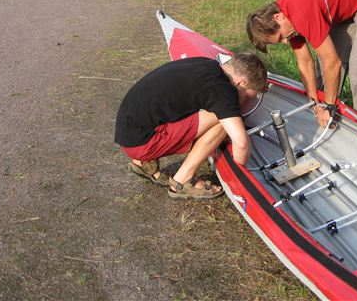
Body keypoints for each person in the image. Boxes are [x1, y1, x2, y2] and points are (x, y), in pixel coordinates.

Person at [114, 53, 268, 200]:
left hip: (128, 130)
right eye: (247, 96)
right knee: (224, 121)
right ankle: (182, 181)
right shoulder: (223, 90)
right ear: (240, 82)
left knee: (220, 112)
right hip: (141, 144)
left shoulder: (205, 64)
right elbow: (241, 143)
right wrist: (243, 171)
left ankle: (144, 163)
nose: (244, 102)